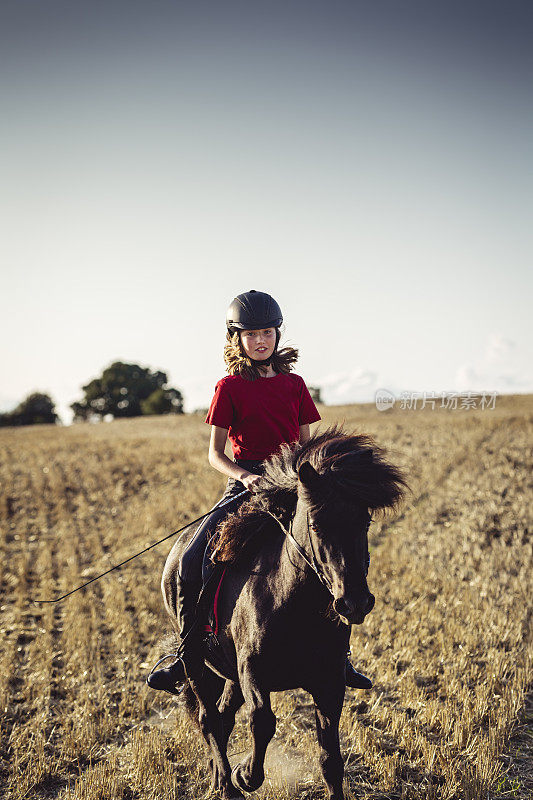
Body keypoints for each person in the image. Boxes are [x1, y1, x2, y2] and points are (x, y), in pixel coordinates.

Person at [147, 289, 372, 694]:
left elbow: (308, 447)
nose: (261, 341)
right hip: (245, 485)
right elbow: (215, 454)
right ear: (238, 339)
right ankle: (187, 654)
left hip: (293, 487)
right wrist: (246, 477)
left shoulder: (295, 384)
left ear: (277, 335)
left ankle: (342, 658)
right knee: (193, 557)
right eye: (251, 334)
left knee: (336, 554)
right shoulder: (229, 387)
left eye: (267, 332)